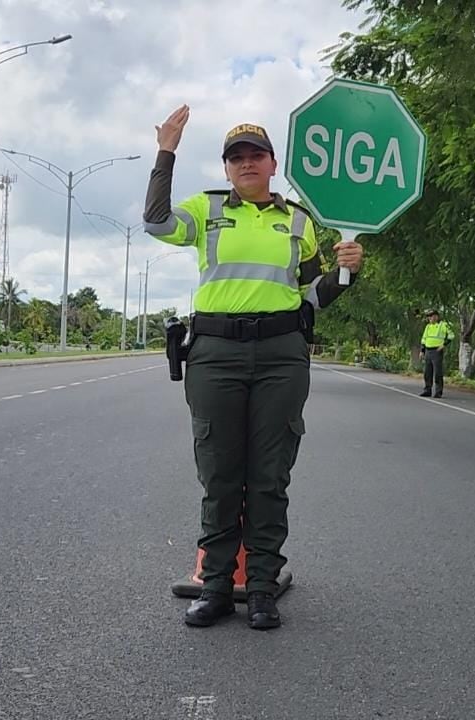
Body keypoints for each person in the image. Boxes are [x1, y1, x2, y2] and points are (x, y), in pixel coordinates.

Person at [144, 105, 364, 630]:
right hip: (215, 352)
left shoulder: (300, 221)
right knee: (220, 474)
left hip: (281, 353)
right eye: (236, 157)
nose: (246, 163)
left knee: (269, 476)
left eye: (255, 155)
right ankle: (217, 586)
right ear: (226, 169)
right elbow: (155, 222)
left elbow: (313, 295)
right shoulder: (206, 210)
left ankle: (262, 587)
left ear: (272, 163)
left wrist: (346, 271)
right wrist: (166, 151)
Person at [419, 309, 453, 398]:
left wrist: (444, 345)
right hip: (428, 351)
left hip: (437, 351)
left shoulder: (444, 325)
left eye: (432, 316)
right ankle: (427, 390)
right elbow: (424, 339)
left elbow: (451, 335)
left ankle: (438, 391)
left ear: (436, 316)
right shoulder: (428, 326)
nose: (430, 318)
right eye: (429, 317)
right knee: (427, 372)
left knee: (438, 372)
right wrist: (422, 351)